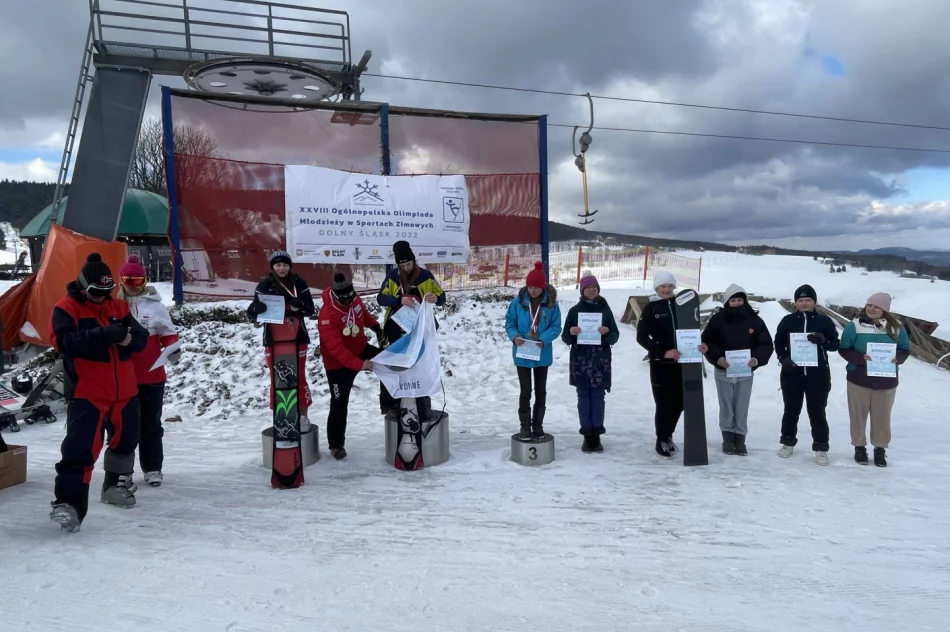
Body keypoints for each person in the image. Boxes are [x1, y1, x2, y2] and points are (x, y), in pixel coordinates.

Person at [48, 253, 149, 533]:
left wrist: (128, 340)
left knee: (126, 440)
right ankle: (69, 504)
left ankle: (114, 487)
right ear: (82, 287)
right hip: (88, 391)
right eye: (96, 293)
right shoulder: (66, 308)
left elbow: (141, 337)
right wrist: (105, 335)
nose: (102, 298)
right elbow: (64, 342)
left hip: (125, 390)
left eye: (106, 292)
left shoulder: (118, 305)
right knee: (80, 448)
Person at [116, 254, 181, 487]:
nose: (133, 286)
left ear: (145, 282)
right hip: (122, 376)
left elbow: (168, 333)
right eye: (128, 281)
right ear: (121, 281)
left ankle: (153, 467)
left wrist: (173, 348)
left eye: (138, 282)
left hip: (152, 375)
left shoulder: (156, 307)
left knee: (151, 424)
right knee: (124, 425)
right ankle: (123, 469)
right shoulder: (115, 306)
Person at [636, 271, 708, 458]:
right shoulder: (651, 308)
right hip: (661, 364)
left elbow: (692, 328)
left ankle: (669, 435)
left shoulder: (682, 306)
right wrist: (662, 352)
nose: (666, 289)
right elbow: (642, 337)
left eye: (669, 286)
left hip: (684, 362)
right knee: (664, 403)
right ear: (657, 288)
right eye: (662, 286)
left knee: (680, 402)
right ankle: (662, 438)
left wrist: (699, 345)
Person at [838, 292, 910, 467]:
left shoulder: (896, 327)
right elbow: (844, 348)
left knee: (882, 416)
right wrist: (859, 358)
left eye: (877, 306)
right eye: (869, 305)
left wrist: (897, 358)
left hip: (886, 381)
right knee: (858, 416)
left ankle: (880, 449)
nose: (872, 309)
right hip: (859, 379)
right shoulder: (854, 326)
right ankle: (859, 447)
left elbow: (905, 348)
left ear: (885, 309)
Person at [317, 272, 383, 460]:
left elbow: (363, 314)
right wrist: (359, 364)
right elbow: (336, 349)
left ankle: (390, 406)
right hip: (338, 365)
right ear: (336, 296)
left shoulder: (354, 300)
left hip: (361, 348)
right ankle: (336, 445)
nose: (348, 302)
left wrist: (375, 326)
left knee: (390, 361)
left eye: (350, 298)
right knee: (339, 403)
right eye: (344, 300)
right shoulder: (327, 316)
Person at [701, 284, 774, 455]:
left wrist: (756, 358)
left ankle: (740, 439)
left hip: (745, 372)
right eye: (732, 300)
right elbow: (708, 342)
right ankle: (727, 438)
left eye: (739, 300)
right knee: (726, 405)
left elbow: (765, 343)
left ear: (744, 300)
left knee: (741, 406)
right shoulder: (718, 320)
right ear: (727, 302)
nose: (736, 303)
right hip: (723, 370)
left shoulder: (755, 320)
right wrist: (719, 357)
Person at [376, 240, 445, 420]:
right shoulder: (392, 276)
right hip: (396, 327)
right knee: (396, 365)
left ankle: (423, 403)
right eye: (402, 265)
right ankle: (394, 405)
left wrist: (434, 297)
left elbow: (442, 297)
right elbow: (381, 298)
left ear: (414, 261)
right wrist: (398, 300)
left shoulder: (425, 276)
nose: (405, 267)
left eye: (408, 264)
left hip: (419, 327)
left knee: (420, 364)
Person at [247, 251, 316, 430]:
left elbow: (310, 310)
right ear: (272, 267)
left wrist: (300, 305)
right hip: (274, 340)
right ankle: (281, 417)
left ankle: (302, 418)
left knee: (298, 378)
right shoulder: (264, 286)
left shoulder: (299, 283)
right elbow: (252, 314)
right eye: (278, 265)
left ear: (290, 266)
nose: (282, 268)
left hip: (297, 338)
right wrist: (256, 309)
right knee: (277, 379)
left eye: (285, 265)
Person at [773, 284, 840, 466]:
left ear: (814, 301)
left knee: (817, 411)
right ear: (795, 302)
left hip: (817, 374)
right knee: (791, 410)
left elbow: (835, 344)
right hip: (792, 373)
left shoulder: (824, 321)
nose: (804, 303)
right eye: (800, 300)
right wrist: (784, 358)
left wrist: (824, 341)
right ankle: (787, 442)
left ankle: (821, 447)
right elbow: (778, 343)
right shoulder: (787, 321)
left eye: (808, 300)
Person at [560, 273, 620, 452]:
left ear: (598, 289)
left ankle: (597, 434)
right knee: (583, 397)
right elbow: (565, 338)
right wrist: (571, 332)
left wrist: (607, 332)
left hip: (600, 361)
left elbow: (614, 337)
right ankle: (587, 434)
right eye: (588, 288)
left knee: (598, 397)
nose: (591, 290)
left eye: (594, 287)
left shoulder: (606, 311)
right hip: (580, 360)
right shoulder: (574, 311)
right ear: (582, 290)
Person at [505, 262, 562, 439]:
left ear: (543, 287)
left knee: (540, 391)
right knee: (525, 391)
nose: (533, 291)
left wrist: (543, 340)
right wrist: (515, 337)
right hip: (522, 352)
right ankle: (525, 426)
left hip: (541, 353)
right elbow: (509, 323)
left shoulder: (551, 304)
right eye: (530, 287)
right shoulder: (517, 303)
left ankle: (538, 425)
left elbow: (556, 326)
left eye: (536, 287)